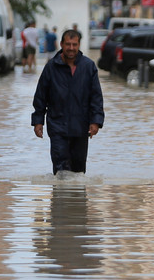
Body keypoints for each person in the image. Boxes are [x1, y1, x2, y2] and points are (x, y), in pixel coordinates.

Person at [31, 29, 104, 175]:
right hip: (57, 126)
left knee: (78, 171)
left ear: (79, 45)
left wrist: (95, 121)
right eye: (68, 44)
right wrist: (38, 121)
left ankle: (77, 198)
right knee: (61, 171)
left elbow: (96, 97)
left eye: (74, 44)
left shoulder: (88, 67)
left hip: (81, 127)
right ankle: (60, 198)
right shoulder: (51, 67)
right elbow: (40, 96)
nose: (71, 48)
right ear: (61, 44)